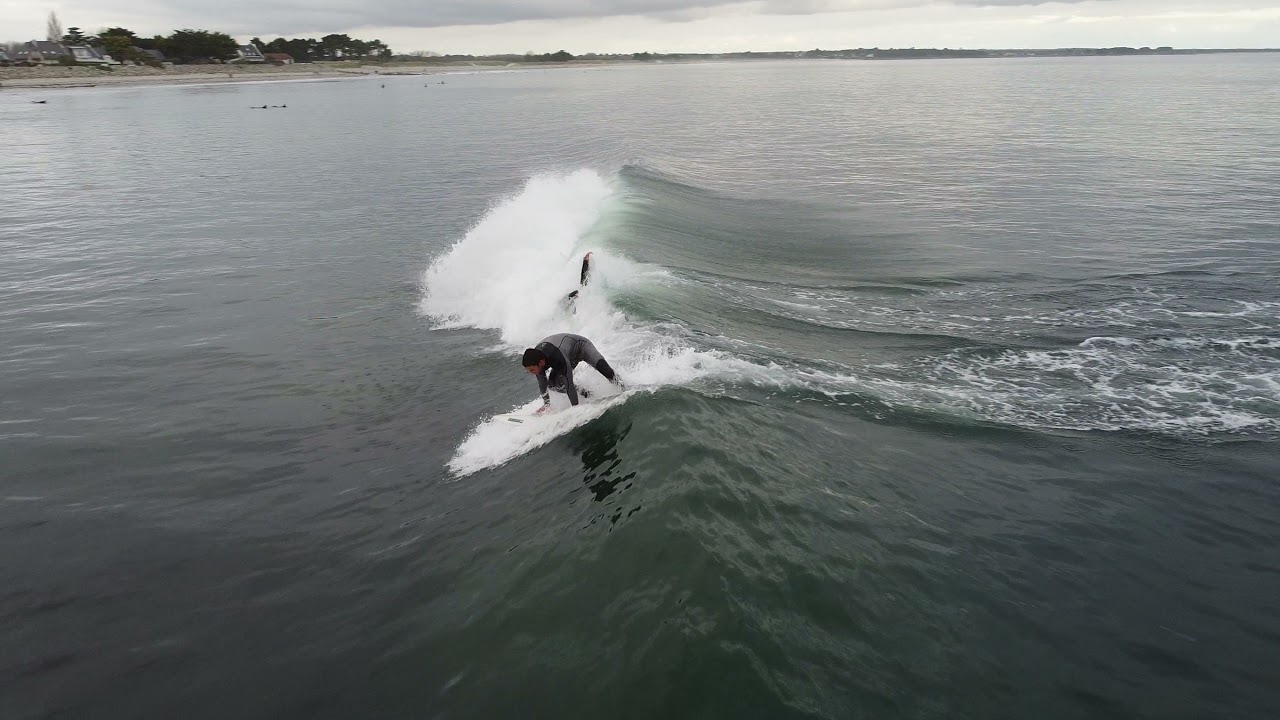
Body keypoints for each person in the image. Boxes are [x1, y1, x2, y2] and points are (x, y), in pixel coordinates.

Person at [522, 332, 622, 411]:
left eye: (531, 370)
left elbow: (569, 384)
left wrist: (575, 410)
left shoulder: (557, 357)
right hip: (568, 356)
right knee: (554, 384)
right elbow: (542, 384)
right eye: (529, 371)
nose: (531, 372)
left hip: (581, 347)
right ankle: (589, 395)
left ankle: (623, 388)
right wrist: (547, 405)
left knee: (605, 370)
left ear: (541, 362)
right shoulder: (536, 359)